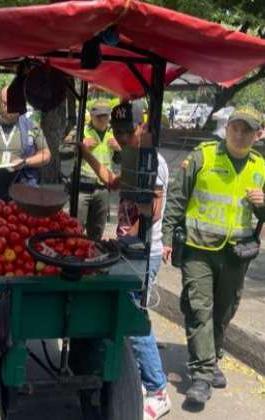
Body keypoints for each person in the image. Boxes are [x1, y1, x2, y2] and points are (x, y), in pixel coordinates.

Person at [161, 107, 265, 406]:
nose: (240, 135)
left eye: (247, 130)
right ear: (227, 129)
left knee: (224, 311)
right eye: (235, 128)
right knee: (200, 308)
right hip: (199, 249)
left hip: (236, 254)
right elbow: (177, 197)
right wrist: (166, 238)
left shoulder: (259, 167)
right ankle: (201, 375)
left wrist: (262, 204)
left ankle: (211, 358)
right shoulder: (203, 157)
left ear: (258, 134)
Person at [78, 101, 171, 420]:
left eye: (128, 131)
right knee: (123, 316)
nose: (123, 136)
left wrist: (123, 241)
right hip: (128, 250)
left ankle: (158, 391)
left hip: (142, 253)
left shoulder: (153, 162)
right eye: (117, 131)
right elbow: (112, 183)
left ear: (142, 128)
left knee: (135, 320)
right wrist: (85, 154)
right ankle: (135, 380)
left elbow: (153, 210)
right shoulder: (133, 157)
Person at [0, 86, 51, 203]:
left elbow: (46, 155)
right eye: (6, 103)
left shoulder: (32, 127)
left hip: (24, 193)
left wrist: (25, 162)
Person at [73, 99, 120, 240]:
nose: (102, 119)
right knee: (76, 229)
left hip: (103, 189)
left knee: (97, 231)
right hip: (83, 188)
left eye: (105, 115)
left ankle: (93, 255)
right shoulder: (81, 130)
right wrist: (79, 146)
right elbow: (63, 152)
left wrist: (119, 149)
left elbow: (120, 160)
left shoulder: (114, 133)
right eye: (98, 116)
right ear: (92, 116)